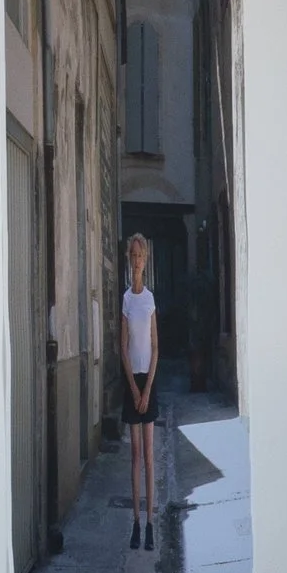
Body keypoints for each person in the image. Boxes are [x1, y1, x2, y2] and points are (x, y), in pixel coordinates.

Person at [122, 231, 160, 553]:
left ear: (145, 260)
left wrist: (146, 388)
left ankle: (150, 524)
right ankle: (135, 522)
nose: (136, 261)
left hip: (149, 380)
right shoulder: (126, 300)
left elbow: (156, 348)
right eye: (133, 256)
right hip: (132, 382)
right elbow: (122, 348)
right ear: (129, 259)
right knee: (134, 456)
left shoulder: (148, 299)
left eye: (140, 256)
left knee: (149, 456)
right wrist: (134, 388)